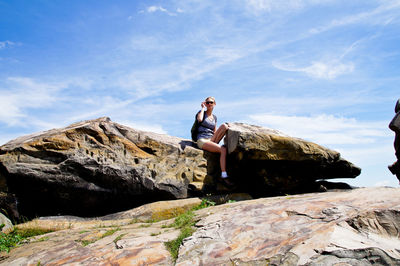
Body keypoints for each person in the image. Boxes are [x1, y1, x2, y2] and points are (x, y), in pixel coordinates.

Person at [196, 96, 234, 187]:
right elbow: (199, 120)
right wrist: (202, 108)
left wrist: (226, 128)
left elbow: (214, 131)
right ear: (205, 103)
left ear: (214, 104)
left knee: (224, 126)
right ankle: (224, 176)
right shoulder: (202, 113)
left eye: (211, 102)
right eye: (207, 102)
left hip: (211, 139)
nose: (209, 104)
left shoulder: (215, 117)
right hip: (202, 140)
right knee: (223, 150)